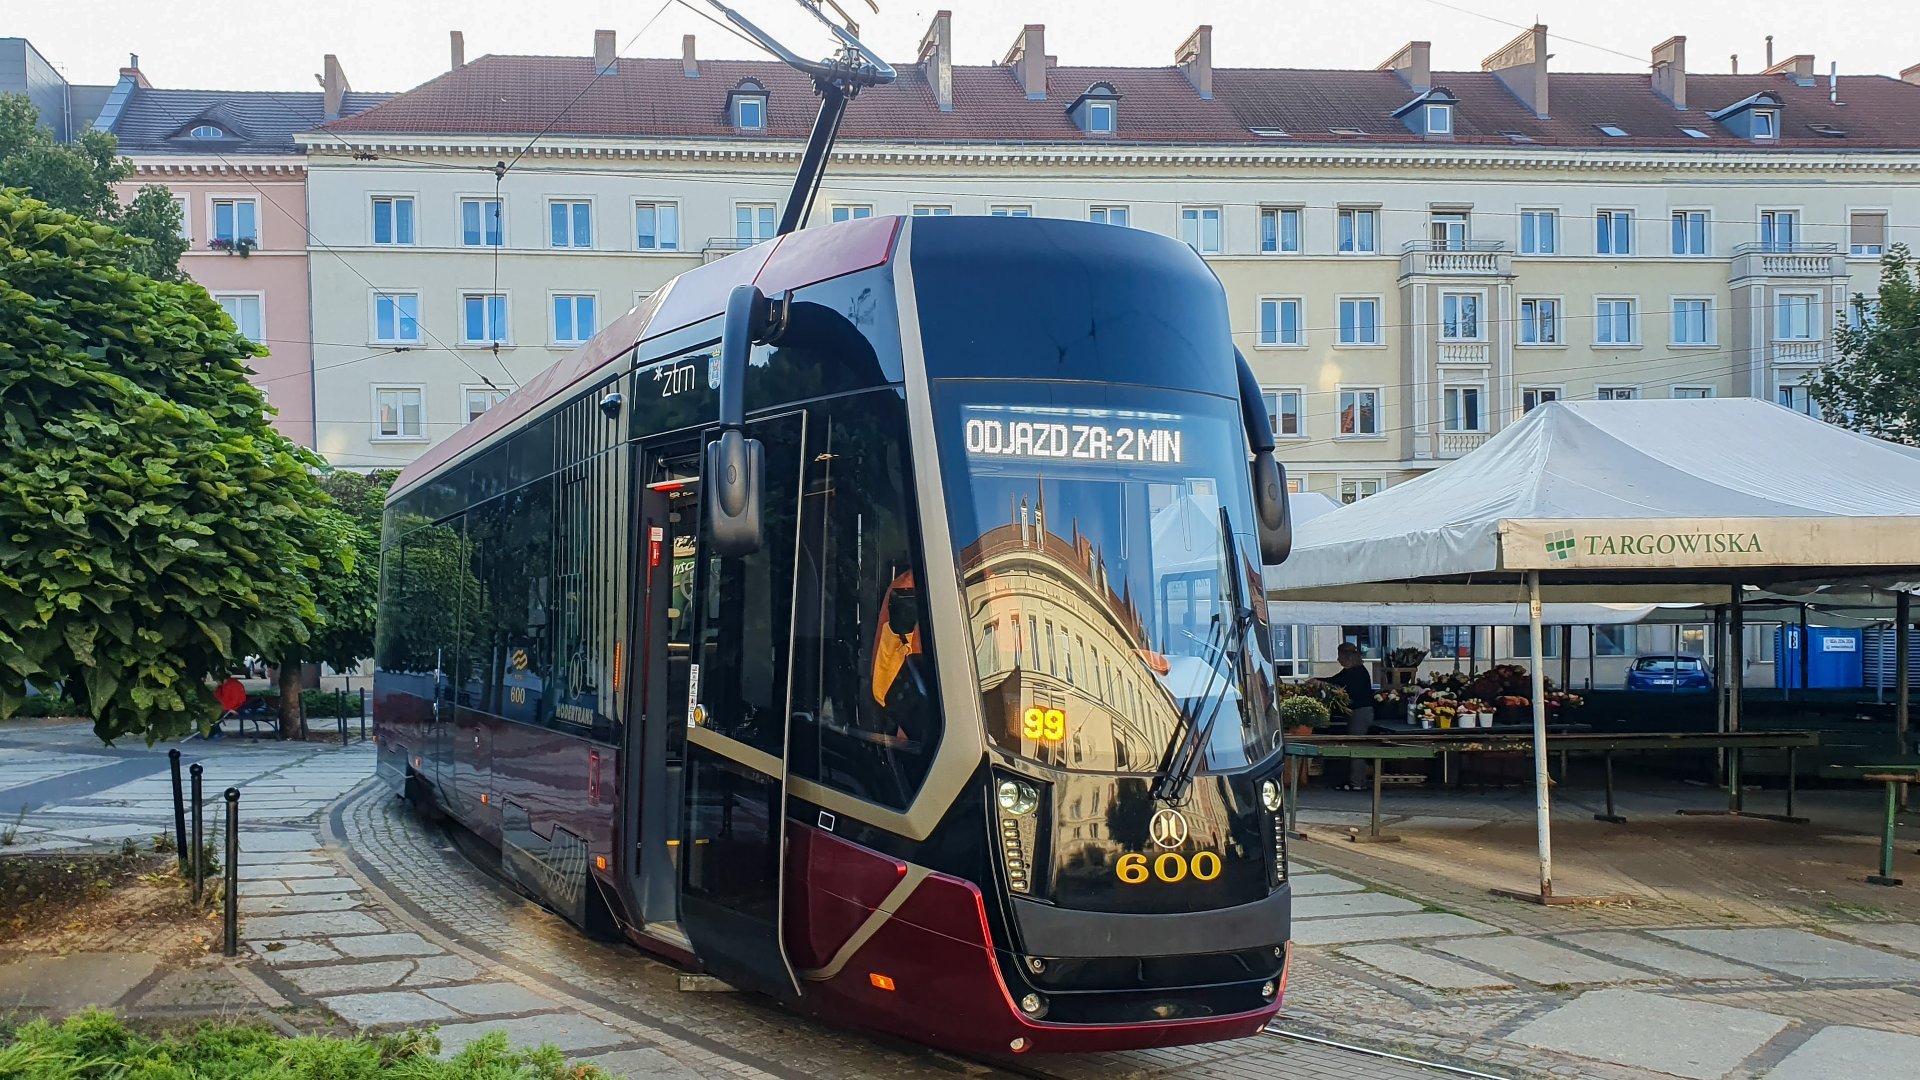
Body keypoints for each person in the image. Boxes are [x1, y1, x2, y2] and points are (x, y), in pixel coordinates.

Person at [1323, 643, 1377, 790]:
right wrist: (1319, 680)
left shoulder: (1356, 672)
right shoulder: (1353, 670)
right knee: (1354, 746)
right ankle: (1355, 781)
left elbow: (1339, 683)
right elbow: (1333, 679)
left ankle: (1357, 783)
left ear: (1345, 657)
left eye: (1339, 655)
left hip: (1361, 712)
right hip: (1357, 712)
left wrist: (1320, 682)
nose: (1337, 659)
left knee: (1357, 746)